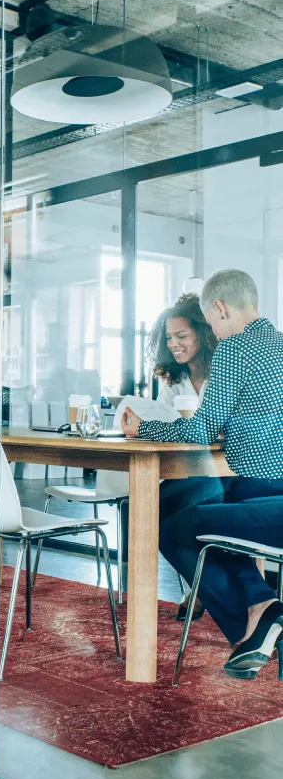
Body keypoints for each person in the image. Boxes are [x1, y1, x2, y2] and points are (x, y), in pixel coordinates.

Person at [123, 270, 283, 677]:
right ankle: (261, 611)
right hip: (261, 493)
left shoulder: (234, 349)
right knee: (209, 501)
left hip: (266, 499)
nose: (213, 330)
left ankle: (261, 618)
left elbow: (198, 430)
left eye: (210, 322)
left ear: (220, 308)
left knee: (176, 529)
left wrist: (143, 428)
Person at [147, 292, 223, 618]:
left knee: (168, 517)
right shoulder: (175, 380)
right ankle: (207, 587)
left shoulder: (224, 372)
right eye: (169, 338)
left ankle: (212, 591)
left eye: (182, 336)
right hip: (190, 470)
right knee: (151, 510)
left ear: (203, 335)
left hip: (227, 473)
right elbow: (167, 423)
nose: (174, 344)